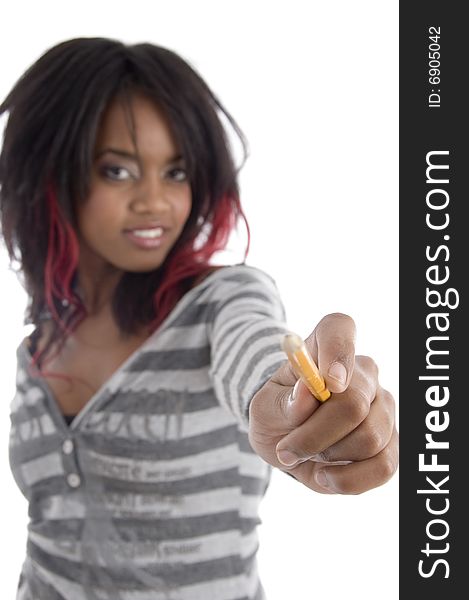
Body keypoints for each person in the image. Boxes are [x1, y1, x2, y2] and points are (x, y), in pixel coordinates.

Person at [0, 37, 398, 600]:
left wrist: (291, 403)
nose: (156, 202)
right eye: (117, 171)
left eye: (177, 173)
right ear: (48, 175)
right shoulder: (35, 350)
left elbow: (258, 354)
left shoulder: (223, 301)